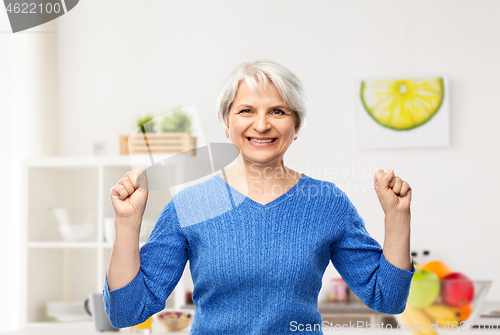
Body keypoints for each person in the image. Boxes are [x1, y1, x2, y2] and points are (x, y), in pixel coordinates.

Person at [103, 59, 415, 334]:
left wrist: (398, 217)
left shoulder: (327, 202)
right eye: (246, 110)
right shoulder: (190, 204)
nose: (262, 124)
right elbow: (126, 312)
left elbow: (387, 297)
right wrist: (127, 223)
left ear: (296, 125)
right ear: (227, 123)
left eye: (277, 111)